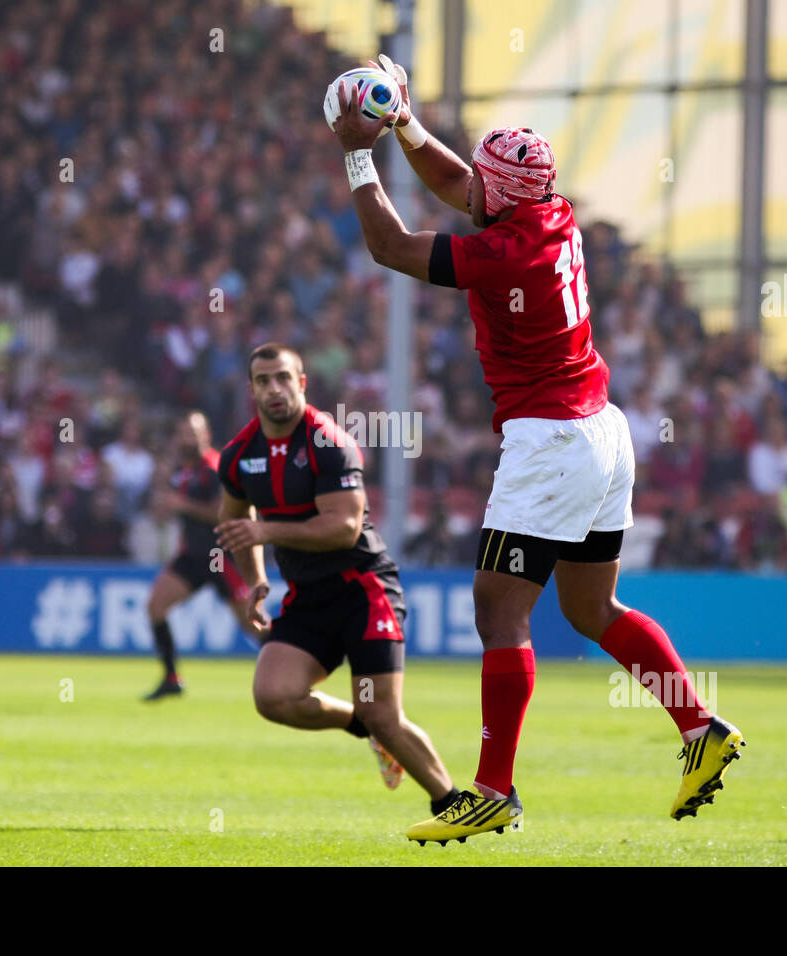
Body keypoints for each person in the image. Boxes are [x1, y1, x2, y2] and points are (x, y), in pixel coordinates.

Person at [329, 55, 745, 844]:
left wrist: (358, 152)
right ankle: (700, 728)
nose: (472, 188)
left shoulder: (502, 253)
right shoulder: (552, 215)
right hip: (601, 430)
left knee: (498, 610)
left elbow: (392, 246)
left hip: (550, 440)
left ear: (502, 198)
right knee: (592, 608)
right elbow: (463, 187)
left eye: (485, 181)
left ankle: (493, 789)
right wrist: (406, 123)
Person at [213, 344, 459, 811]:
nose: (275, 388)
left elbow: (344, 529)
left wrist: (264, 529)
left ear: (302, 383)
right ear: (252, 391)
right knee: (273, 696)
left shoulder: (328, 442)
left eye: (283, 378)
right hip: (308, 598)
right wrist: (257, 579)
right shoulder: (239, 456)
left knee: (383, 712)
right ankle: (365, 728)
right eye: (264, 381)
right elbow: (235, 523)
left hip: (363, 589)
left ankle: (451, 803)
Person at [141, 410, 252, 702]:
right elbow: (176, 509)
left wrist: (182, 505)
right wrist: (166, 509)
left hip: (220, 555)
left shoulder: (215, 467)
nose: (187, 438)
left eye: (193, 432)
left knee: (252, 625)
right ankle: (171, 677)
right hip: (192, 555)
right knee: (155, 605)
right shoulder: (184, 470)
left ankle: (298, 662)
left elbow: (221, 512)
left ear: (206, 435)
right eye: (183, 433)